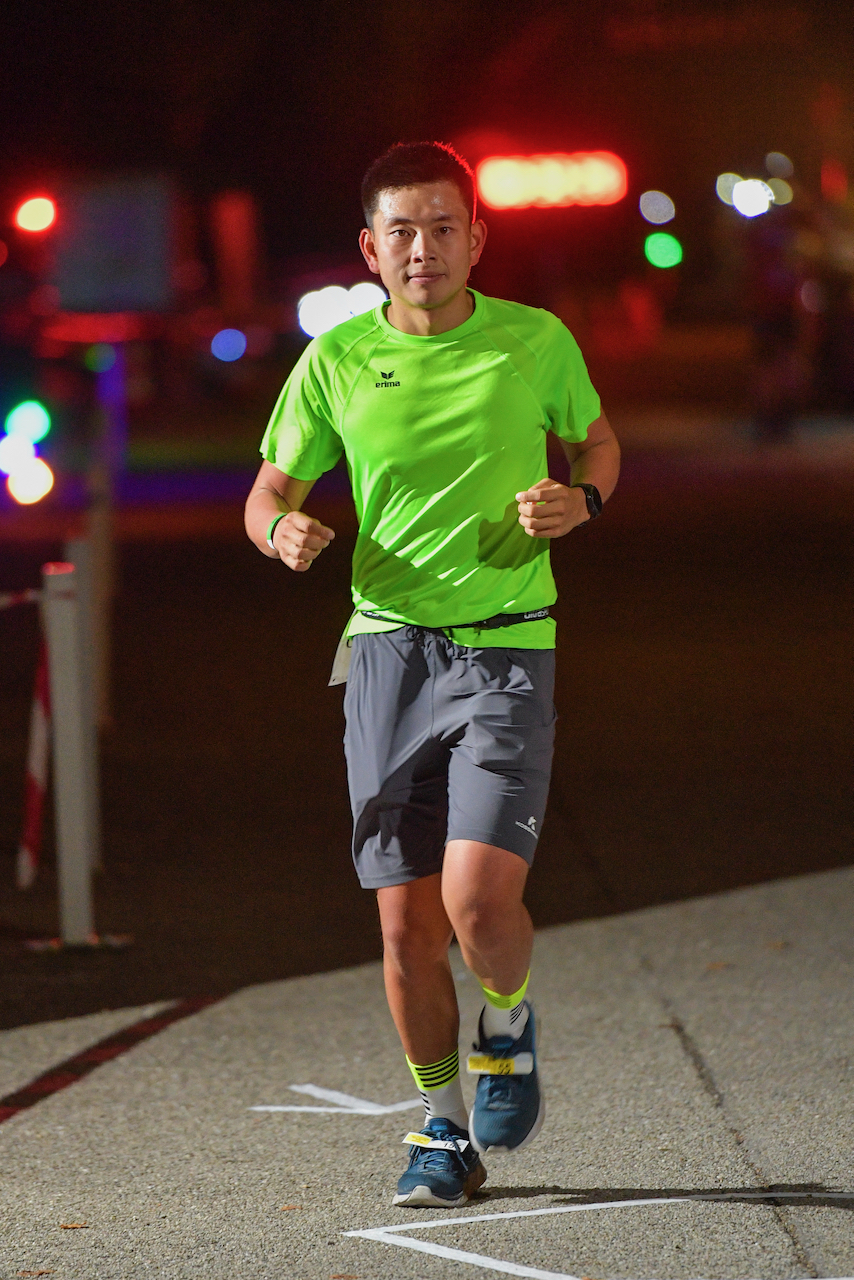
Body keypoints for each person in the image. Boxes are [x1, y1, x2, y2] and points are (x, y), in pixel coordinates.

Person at [245, 141, 620, 1209]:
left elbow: (596, 443)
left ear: (476, 237)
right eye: (401, 230)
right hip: (385, 652)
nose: (423, 248)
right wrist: (280, 530)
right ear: (371, 248)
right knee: (404, 923)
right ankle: (442, 1128)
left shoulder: (530, 341)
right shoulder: (335, 360)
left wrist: (578, 499)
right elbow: (269, 485)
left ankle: (507, 1017)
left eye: (442, 227)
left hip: (507, 638)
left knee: (473, 898)